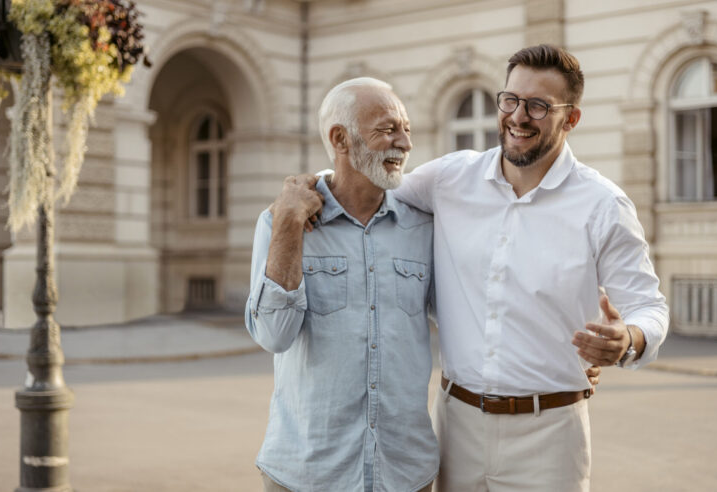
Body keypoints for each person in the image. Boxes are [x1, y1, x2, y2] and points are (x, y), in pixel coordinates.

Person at [390, 44, 669, 492]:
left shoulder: (603, 205)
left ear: (571, 119)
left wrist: (628, 340)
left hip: (551, 436)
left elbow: (648, 307)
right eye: (511, 100)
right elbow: (372, 194)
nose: (519, 116)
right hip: (455, 425)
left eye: (538, 106)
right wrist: (308, 191)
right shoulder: (448, 180)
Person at [244, 77, 439, 492]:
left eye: (407, 129)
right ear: (341, 139)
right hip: (307, 474)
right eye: (388, 129)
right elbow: (273, 335)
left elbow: (473, 319)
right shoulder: (279, 221)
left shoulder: (424, 227)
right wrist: (288, 226)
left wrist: (560, 356)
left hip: (405, 474)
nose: (404, 143)